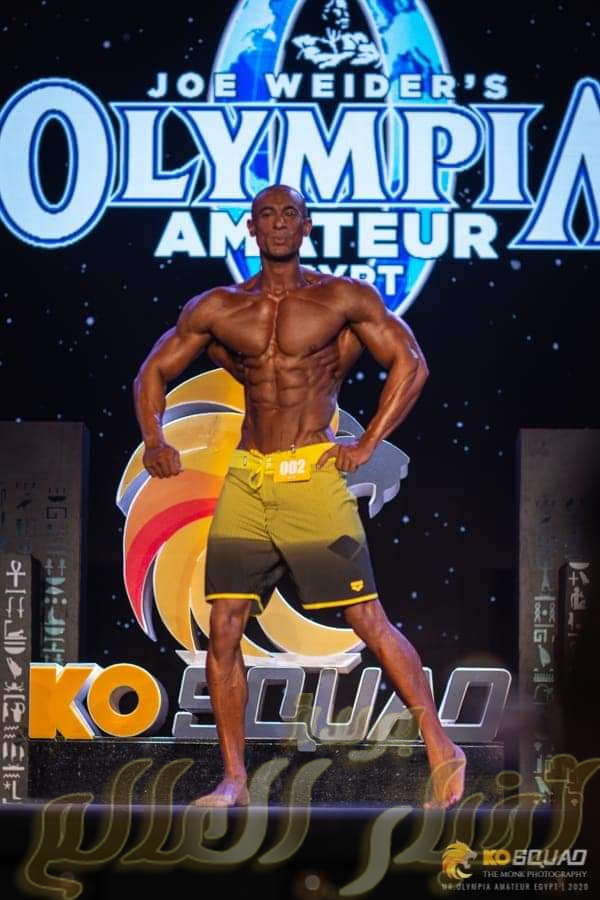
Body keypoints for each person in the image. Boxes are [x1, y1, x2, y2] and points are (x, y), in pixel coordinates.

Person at [133, 183, 466, 809]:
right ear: (252, 228)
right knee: (223, 626)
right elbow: (153, 369)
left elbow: (411, 362)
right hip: (248, 476)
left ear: (307, 226)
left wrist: (368, 441)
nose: (279, 223)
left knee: (365, 618)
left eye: (290, 214)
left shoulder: (341, 298)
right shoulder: (218, 307)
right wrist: (154, 437)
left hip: (312, 474)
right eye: (267, 214)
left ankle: (441, 745)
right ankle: (234, 779)